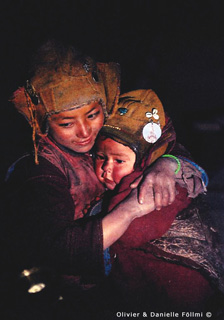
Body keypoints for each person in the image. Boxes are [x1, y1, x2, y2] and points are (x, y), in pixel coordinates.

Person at [0, 41, 212, 318]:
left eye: (93, 114)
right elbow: (58, 250)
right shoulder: (39, 170)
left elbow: (161, 138)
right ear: (43, 123)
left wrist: (166, 164)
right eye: (66, 123)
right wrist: (130, 209)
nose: (85, 131)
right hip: (78, 294)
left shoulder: (109, 129)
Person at [93, 89, 224, 312]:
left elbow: (127, 234)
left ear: (146, 160)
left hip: (169, 296)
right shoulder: (159, 171)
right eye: (100, 157)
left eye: (119, 160)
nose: (106, 168)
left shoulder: (143, 186)